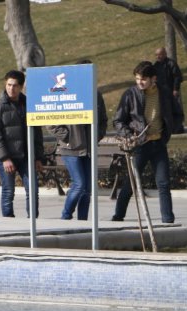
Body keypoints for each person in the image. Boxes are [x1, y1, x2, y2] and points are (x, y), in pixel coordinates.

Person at [112, 61, 175, 224]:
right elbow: (118, 121)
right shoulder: (130, 94)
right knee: (131, 182)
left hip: (159, 144)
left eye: (143, 79)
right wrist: (129, 135)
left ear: (153, 79)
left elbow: (176, 113)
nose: (139, 82)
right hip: (140, 145)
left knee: (163, 182)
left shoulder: (164, 93)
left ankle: (168, 220)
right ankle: (118, 216)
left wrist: (168, 131)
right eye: (137, 78)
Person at [47, 59, 108, 221]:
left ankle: (83, 221)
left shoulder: (96, 94)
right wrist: (67, 136)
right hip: (70, 147)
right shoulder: (65, 92)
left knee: (87, 188)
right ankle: (66, 216)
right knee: (79, 184)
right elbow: (51, 121)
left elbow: (103, 120)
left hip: (88, 148)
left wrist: (97, 135)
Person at [0, 69, 44, 218]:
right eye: (9, 85)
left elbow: (37, 133)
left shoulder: (28, 105)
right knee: (8, 191)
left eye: (15, 85)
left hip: (26, 156)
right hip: (7, 157)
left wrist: (38, 157)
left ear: (21, 86)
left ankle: (32, 221)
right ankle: (8, 221)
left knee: (32, 190)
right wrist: (5, 158)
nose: (11, 88)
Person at [154, 47, 184, 134]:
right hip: (161, 94)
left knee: (174, 110)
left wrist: (175, 89)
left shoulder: (171, 63)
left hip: (171, 92)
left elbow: (177, 77)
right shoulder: (155, 65)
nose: (158, 56)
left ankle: (177, 128)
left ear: (165, 54)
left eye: (160, 54)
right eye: (156, 55)